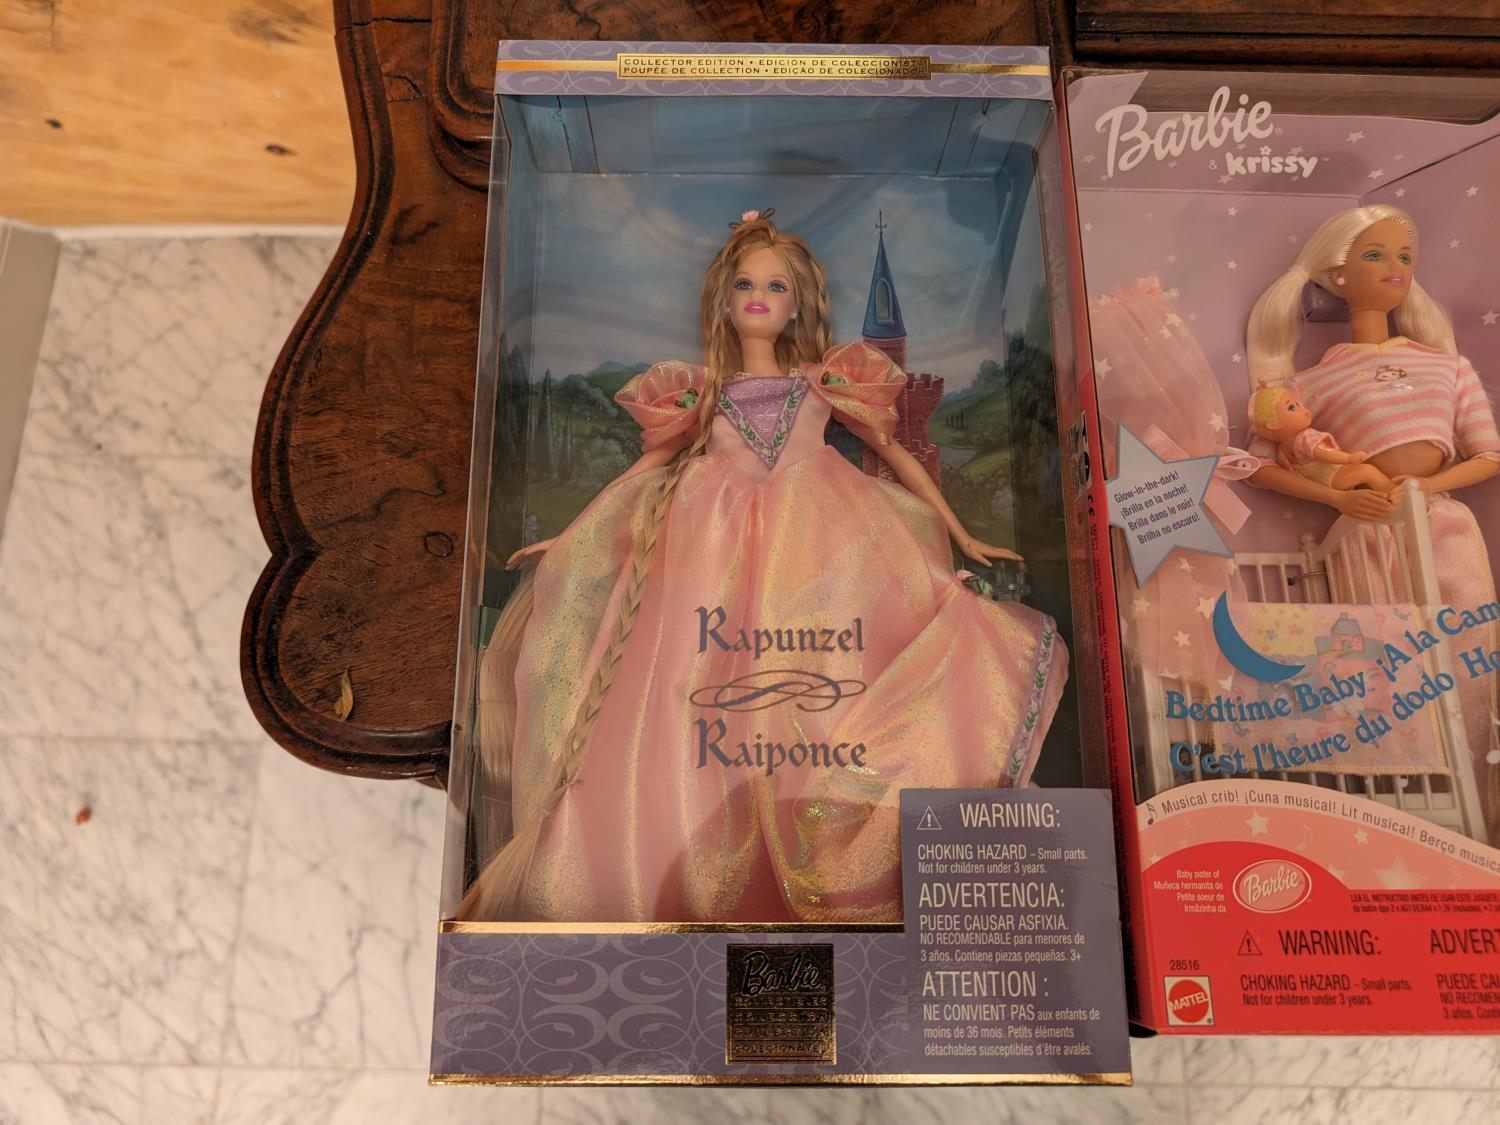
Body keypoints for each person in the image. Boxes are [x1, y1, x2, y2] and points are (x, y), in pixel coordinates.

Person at [459, 211, 1068, 922]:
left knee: (831, 679)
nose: (759, 297)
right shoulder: (703, 390)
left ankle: (839, 832)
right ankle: (685, 859)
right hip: (709, 541)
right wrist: (571, 537)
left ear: (797, 304)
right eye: (746, 284)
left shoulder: (822, 382)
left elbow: (894, 451)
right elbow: (645, 468)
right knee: (688, 686)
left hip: (822, 537)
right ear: (724, 300)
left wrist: (960, 531)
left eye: (776, 287)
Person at [1246, 204, 1500, 840]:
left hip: (1442, 526)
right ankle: (1395, 818)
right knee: (1383, 673)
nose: (1396, 268)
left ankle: (1477, 820)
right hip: (1365, 533)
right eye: (1375, 255)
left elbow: (1489, 453)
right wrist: (1337, 498)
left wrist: (1426, 488)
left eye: (1405, 257)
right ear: (1337, 273)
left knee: (1469, 659)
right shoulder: (1313, 381)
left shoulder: (1448, 365)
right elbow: (1258, 465)